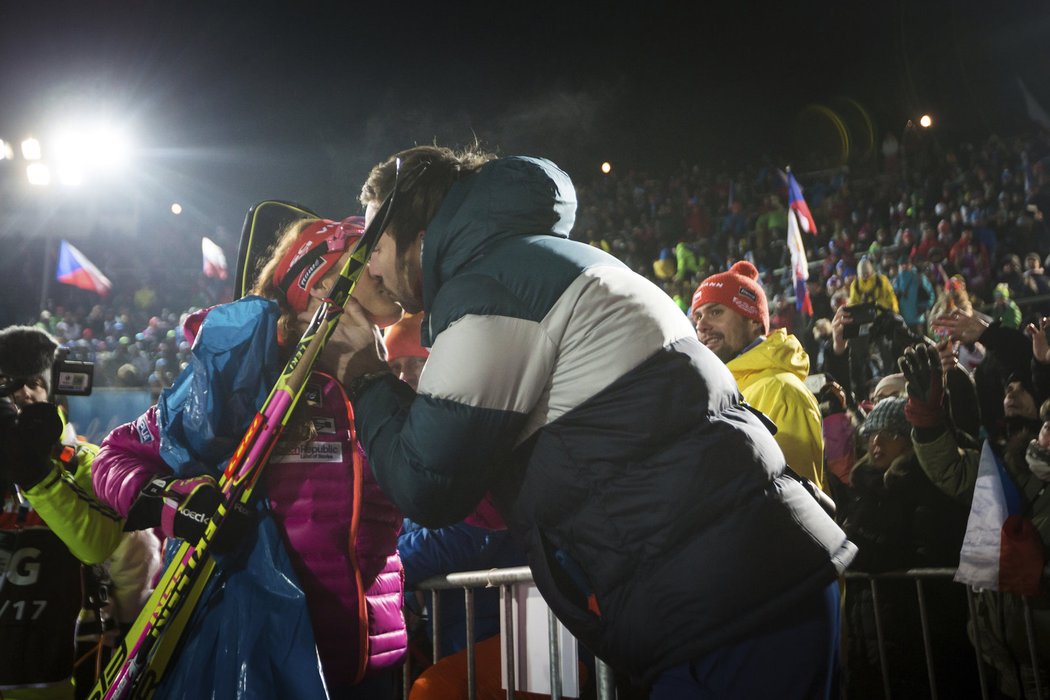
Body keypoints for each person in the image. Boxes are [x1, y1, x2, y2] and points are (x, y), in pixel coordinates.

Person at [330, 145, 856, 697]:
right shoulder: (544, 260)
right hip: (750, 588)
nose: (369, 266)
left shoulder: (489, 287)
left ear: (417, 229)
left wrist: (365, 377)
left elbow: (426, 482)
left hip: (727, 608)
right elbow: (484, 495)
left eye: (375, 243)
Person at [92, 217, 408, 698]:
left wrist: (379, 385)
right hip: (248, 663)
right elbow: (114, 458)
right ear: (320, 280)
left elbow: (452, 494)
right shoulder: (245, 372)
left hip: (365, 661)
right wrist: (180, 504)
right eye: (368, 257)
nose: (387, 267)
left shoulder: (388, 377)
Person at [0, 326, 156, 700]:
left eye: (35, 382)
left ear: (55, 391)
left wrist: (38, 475)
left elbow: (106, 551)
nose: (22, 394)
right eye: (8, 383)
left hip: (68, 676)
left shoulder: (90, 464)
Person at [691, 260, 825, 489]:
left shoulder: (781, 391)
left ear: (753, 320)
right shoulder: (722, 390)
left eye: (715, 312)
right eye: (698, 317)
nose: (702, 326)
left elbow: (797, 504)